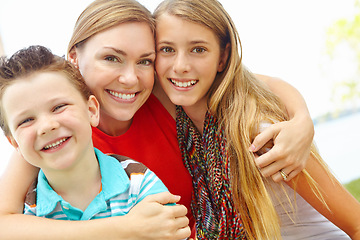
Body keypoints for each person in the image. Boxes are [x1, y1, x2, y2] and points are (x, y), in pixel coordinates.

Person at [0, 0, 314, 239]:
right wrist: (121, 229)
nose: (129, 78)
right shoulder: (60, 135)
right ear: (74, 57)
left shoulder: (159, 95)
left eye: (145, 61)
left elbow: (245, 83)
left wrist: (302, 120)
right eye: (111, 58)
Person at [153, 0, 360, 239]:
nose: (180, 66)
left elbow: (356, 224)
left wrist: (302, 120)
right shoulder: (184, 118)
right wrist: (302, 116)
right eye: (167, 49)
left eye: (198, 49)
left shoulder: (260, 134)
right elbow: (266, 80)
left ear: (223, 57)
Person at [0, 45, 172, 220]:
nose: (46, 126)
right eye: (26, 120)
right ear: (14, 143)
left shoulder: (139, 184)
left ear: (91, 110)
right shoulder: (27, 214)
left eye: (59, 107)